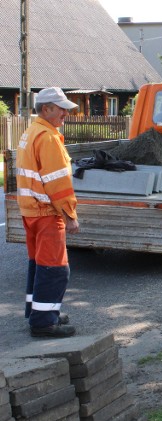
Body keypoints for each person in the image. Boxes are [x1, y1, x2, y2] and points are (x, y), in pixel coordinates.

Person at [16, 87, 80, 338]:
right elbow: (57, 183)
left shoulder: (31, 132)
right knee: (55, 268)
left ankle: (39, 312)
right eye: (61, 108)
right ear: (46, 109)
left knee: (39, 265)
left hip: (30, 210)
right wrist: (70, 215)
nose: (65, 112)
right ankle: (43, 323)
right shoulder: (48, 137)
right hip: (46, 213)